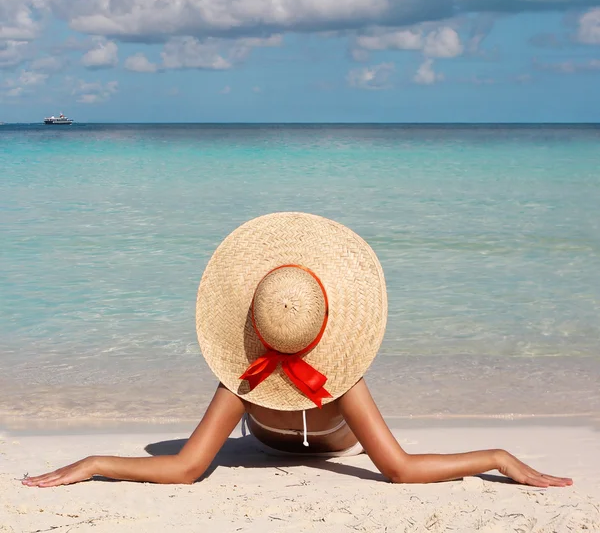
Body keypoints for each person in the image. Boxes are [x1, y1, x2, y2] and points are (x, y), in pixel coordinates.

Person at [22, 212, 572, 489]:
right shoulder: (343, 380)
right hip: (339, 444)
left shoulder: (242, 377)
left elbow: (188, 468)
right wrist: (496, 456)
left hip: (261, 440)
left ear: (255, 320)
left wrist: (96, 463)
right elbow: (399, 469)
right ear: (328, 322)